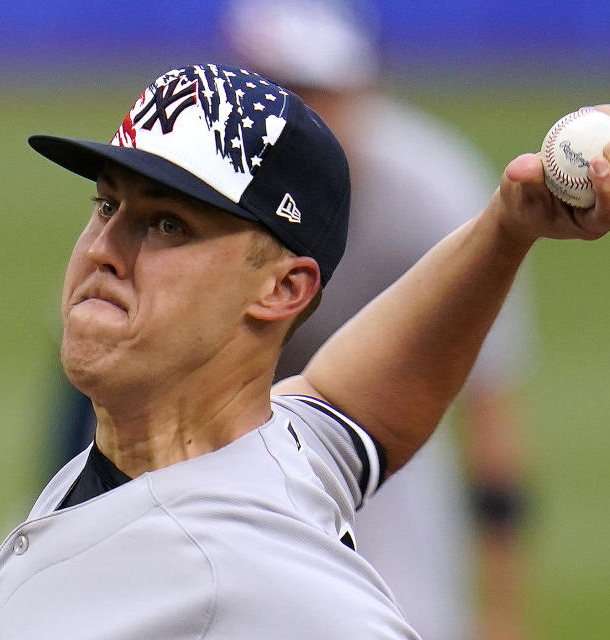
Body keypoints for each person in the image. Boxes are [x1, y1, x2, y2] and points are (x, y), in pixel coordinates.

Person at [0, 62, 610, 639]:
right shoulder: (264, 452)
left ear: (283, 289)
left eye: (165, 224)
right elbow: (351, 405)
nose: (103, 251)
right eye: (106, 205)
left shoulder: (259, 579)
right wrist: (504, 229)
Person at [220, 2, 535, 638]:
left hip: (385, 450)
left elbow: (488, 405)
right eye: (275, 91)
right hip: (229, 441)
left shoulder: (432, 190)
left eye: (314, 92)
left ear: (364, 89)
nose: (294, 117)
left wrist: (503, 609)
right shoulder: (209, 182)